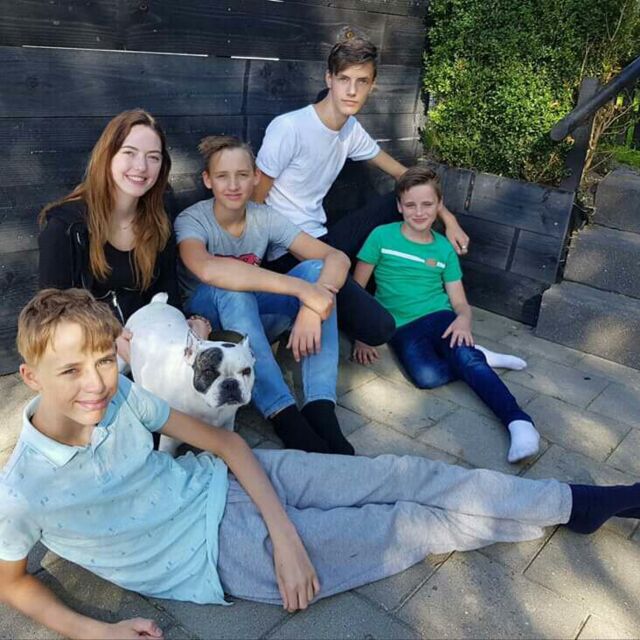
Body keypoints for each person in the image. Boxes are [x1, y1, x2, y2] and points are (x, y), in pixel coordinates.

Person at [2, 288, 639, 640]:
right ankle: (572, 510)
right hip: (211, 554)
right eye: (70, 370)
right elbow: (12, 583)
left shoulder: (122, 396)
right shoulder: (23, 490)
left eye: (104, 360)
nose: (96, 383)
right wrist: (95, 633)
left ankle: (574, 502)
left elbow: (227, 445)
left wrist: (284, 533)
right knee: (408, 522)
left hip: (233, 481)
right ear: (31, 377)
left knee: (402, 473)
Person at [254, 34, 469, 347]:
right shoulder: (290, 128)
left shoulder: (350, 129)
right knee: (379, 328)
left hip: (323, 238)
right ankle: (304, 306)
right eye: (344, 79)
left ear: (372, 85)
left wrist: (448, 218)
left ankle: (384, 288)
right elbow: (255, 202)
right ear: (329, 78)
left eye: (361, 81)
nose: (352, 90)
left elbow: (406, 176)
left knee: (399, 200)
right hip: (286, 251)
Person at [174, 135, 353, 454]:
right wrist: (304, 291)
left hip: (250, 319)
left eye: (242, 175)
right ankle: (283, 414)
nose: (233, 185)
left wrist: (312, 306)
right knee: (233, 288)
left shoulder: (264, 217)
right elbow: (208, 270)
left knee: (316, 271)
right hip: (208, 326)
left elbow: (336, 258)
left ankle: (321, 408)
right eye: (222, 176)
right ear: (207, 180)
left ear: (256, 177)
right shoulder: (192, 219)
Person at [352, 167, 540, 463]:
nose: (419, 212)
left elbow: (460, 302)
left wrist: (463, 319)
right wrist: (362, 335)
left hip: (440, 317)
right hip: (399, 327)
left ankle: (519, 422)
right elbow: (357, 290)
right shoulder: (381, 236)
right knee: (426, 377)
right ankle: (477, 356)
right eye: (410, 205)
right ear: (399, 206)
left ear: (438, 205)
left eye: (427, 204)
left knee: (465, 359)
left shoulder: (443, 249)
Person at [38, 109, 210, 364]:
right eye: (129, 152)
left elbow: (167, 297)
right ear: (107, 155)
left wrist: (191, 327)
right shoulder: (65, 225)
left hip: (145, 346)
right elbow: (51, 312)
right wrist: (107, 334)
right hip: (85, 354)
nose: (141, 166)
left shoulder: (158, 223)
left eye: (153, 157)